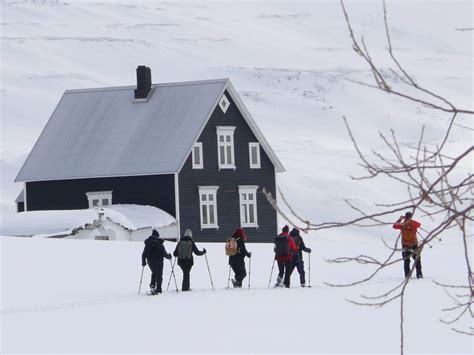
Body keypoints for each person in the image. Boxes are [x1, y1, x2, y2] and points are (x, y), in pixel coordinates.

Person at [393, 212, 423, 279]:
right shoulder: (414, 224)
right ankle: (419, 274)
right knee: (417, 259)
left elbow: (394, 226)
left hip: (405, 245)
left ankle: (407, 276)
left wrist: (400, 219)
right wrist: (410, 220)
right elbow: (419, 224)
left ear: (405, 216)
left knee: (406, 261)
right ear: (411, 217)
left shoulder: (402, 224)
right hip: (414, 244)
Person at [141, 229, 172, 295]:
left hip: (150, 262)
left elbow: (144, 254)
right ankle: (158, 289)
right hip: (159, 262)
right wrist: (169, 257)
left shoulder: (148, 244)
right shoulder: (160, 243)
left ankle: (152, 286)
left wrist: (143, 262)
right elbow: (164, 254)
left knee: (154, 273)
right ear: (157, 236)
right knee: (159, 276)